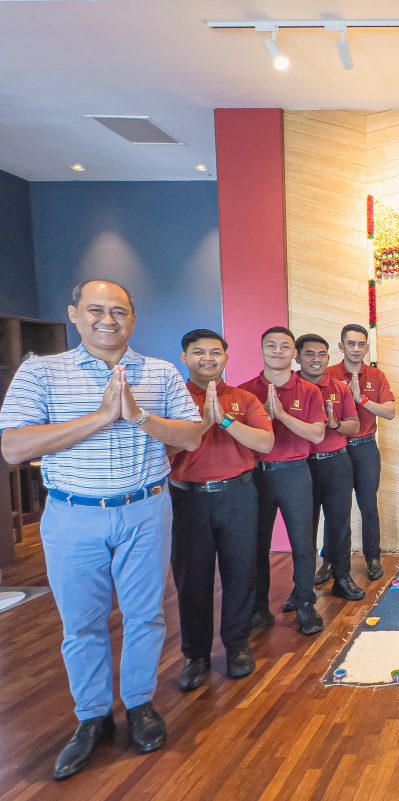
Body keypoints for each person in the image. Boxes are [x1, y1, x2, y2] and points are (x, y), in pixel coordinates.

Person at [0, 279, 202, 781]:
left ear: (133, 318)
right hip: (73, 515)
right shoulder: (41, 372)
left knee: (146, 615)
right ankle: (91, 718)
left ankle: (139, 705)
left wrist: (139, 418)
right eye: (96, 309)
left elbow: (192, 434)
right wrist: (101, 417)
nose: (107, 319)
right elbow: (14, 447)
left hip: (145, 510)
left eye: (119, 311)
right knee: (83, 624)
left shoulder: (158, 373)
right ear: (74, 314)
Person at [169, 329, 274, 692]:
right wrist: (203, 423)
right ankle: (195, 655)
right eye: (198, 352)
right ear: (185, 357)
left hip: (238, 495)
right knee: (192, 580)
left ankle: (237, 645)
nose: (208, 359)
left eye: (216, 352)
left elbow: (265, 441)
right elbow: (162, 452)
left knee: (241, 571)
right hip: (189, 498)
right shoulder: (173, 398)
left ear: (227, 357)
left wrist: (226, 421)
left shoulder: (244, 399)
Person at [239, 327, 327, 636]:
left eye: (284, 346)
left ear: (294, 354)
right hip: (255, 476)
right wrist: (263, 414)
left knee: (303, 543)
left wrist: (281, 415)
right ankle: (259, 609)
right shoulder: (244, 391)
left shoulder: (309, 391)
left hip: (295, 473)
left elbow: (317, 434)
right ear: (262, 350)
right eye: (271, 345)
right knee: (256, 546)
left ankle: (305, 603)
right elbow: (238, 439)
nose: (278, 351)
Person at [295, 334, 364, 602]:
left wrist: (335, 425)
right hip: (301, 467)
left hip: (336, 463)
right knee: (303, 528)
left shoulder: (339, 388)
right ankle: (300, 587)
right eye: (310, 354)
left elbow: (354, 426)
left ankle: (342, 577)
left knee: (339, 524)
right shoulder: (287, 387)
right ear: (298, 357)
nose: (316, 359)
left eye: (322, 354)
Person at [325, 324, 396, 582]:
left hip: (365, 447)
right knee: (335, 508)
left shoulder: (376, 376)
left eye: (361, 344)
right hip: (336, 449)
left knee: (368, 506)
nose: (356, 349)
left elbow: (389, 412)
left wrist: (362, 399)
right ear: (341, 346)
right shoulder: (329, 373)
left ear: (367, 347)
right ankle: (329, 560)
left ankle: (373, 558)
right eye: (351, 344)